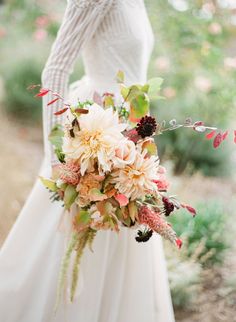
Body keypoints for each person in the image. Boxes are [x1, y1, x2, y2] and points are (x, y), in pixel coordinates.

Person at [0, 1, 175, 321]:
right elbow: (55, 69)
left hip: (130, 139)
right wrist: (58, 159)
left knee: (121, 240)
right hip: (95, 136)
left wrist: (141, 138)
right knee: (74, 240)